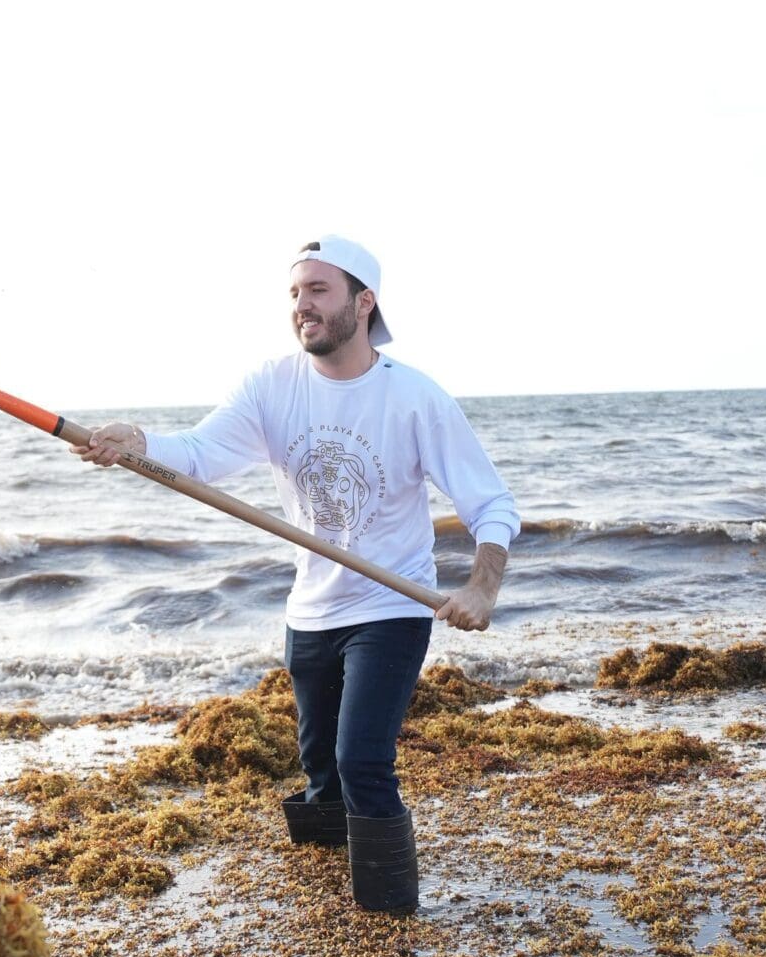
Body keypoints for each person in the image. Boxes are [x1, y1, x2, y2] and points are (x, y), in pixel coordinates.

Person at [73, 236, 518, 912]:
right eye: (294, 292)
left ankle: (390, 914)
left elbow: (491, 503)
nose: (302, 306)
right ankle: (327, 897)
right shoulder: (272, 385)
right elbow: (196, 453)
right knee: (320, 768)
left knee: (362, 759)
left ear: (364, 302)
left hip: (390, 605)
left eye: (318, 290)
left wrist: (481, 585)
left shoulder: (415, 399)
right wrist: (138, 442)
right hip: (310, 611)